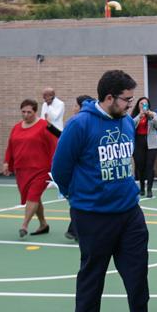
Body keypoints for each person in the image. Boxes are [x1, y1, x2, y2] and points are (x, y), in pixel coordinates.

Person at [51, 70, 157, 312]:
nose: (131, 105)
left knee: (137, 271)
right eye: (127, 100)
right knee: (93, 272)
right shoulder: (80, 125)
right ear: (109, 98)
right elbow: (60, 168)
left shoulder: (125, 123)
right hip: (93, 214)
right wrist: (78, 197)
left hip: (129, 212)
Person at [3, 99, 57, 237]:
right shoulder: (16, 127)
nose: (26, 115)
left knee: (32, 196)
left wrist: (55, 167)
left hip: (41, 169)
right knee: (34, 197)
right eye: (23, 112)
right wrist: (6, 163)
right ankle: (43, 224)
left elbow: (54, 146)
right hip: (22, 170)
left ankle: (24, 225)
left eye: (29, 112)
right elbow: (11, 146)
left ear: (35, 112)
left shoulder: (44, 126)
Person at [63, 94, 93, 242]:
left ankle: (74, 230)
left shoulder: (78, 124)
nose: (73, 108)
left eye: (75, 105)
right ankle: (74, 230)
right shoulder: (75, 124)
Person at [131, 97, 157, 197]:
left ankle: (149, 189)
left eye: (145, 104)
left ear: (148, 105)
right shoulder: (136, 115)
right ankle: (142, 188)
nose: (143, 105)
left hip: (151, 143)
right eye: (141, 103)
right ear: (138, 105)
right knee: (140, 166)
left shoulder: (153, 114)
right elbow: (130, 125)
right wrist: (139, 116)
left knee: (150, 166)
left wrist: (152, 116)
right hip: (138, 142)